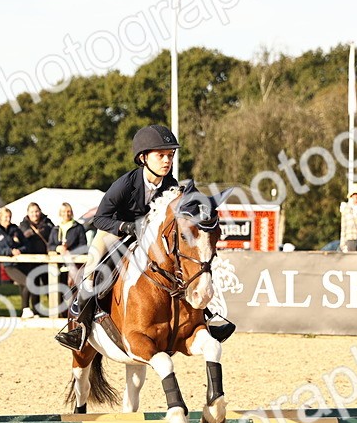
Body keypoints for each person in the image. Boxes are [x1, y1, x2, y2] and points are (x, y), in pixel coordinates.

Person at [56, 124, 235, 350]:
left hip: (148, 238)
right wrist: (127, 227)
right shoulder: (124, 185)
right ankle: (79, 328)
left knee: (179, 269)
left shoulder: (170, 183)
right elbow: (100, 218)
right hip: (114, 232)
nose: (167, 161)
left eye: (170, 155)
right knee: (93, 272)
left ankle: (205, 317)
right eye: (161, 155)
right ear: (143, 158)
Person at [0, 207, 36, 319]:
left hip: (21, 263)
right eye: (6, 217)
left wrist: (20, 250)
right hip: (8, 265)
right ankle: (26, 309)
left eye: (9, 217)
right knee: (28, 282)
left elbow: (26, 245)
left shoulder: (15, 229)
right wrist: (8, 252)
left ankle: (26, 310)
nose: (8, 219)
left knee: (24, 285)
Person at [55, 202, 89, 291]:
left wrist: (69, 252)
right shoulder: (56, 228)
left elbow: (83, 245)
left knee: (72, 294)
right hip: (59, 267)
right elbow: (50, 245)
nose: (66, 214)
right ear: (60, 213)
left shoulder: (78, 227)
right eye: (63, 211)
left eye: (68, 211)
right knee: (59, 294)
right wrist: (57, 248)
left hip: (74, 265)